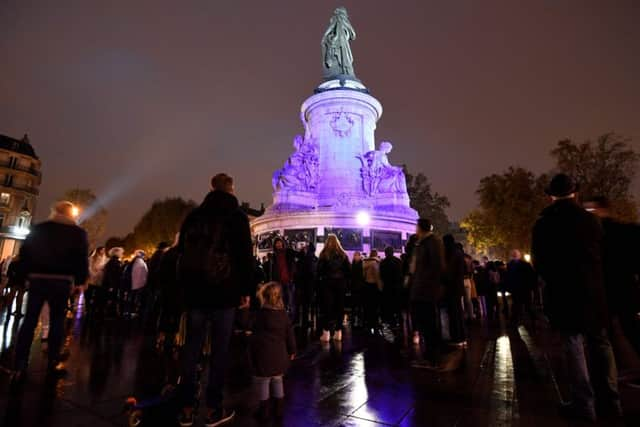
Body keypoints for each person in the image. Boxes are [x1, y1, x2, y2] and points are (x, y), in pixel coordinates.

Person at [532, 174, 621, 422]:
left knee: (573, 349)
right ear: (575, 193)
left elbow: (540, 264)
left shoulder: (543, 224)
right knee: (601, 346)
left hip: (563, 296)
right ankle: (611, 402)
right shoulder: (591, 221)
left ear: (551, 196)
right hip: (593, 294)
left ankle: (584, 406)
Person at [177, 173, 253, 427]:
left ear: (211, 188)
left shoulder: (194, 216)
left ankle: (186, 408)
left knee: (192, 347)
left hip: (196, 292)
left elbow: (182, 255)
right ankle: (213, 409)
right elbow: (244, 257)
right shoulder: (237, 217)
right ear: (231, 189)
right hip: (225, 292)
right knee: (220, 350)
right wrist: (246, 290)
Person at [13, 201, 89, 380]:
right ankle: (53, 362)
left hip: (38, 279)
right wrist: (80, 281)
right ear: (72, 214)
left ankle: (20, 363)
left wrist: (22, 277)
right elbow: (81, 258)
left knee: (29, 321)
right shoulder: (78, 233)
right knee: (57, 321)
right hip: (61, 281)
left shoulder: (41, 228)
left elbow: (26, 253)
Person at [584, 197, 640, 374]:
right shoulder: (624, 230)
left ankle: (616, 369)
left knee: (610, 332)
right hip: (623, 288)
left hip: (608, 289)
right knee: (628, 329)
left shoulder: (596, 235)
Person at [251, 282, 297, 421]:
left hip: (264, 356)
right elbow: (290, 335)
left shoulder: (260, 315)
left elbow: (254, 336)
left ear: (263, 297)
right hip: (280, 356)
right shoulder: (283, 315)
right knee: (278, 381)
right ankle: (279, 409)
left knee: (264, 382)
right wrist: (292, 350)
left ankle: (263, 411)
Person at [409, 218, 445, 369]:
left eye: (416, 227)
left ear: (421, 228)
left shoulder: (431, 243)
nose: (415, 230)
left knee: (429, 324)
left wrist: (429, 286)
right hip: (421, 289)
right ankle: (429, 356)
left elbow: (436, 267)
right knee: (424, 324)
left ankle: (433, 359)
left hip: (426, 290)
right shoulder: (423, 243)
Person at [316, 235, 350, 342]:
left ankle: (326, 333)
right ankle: (338, 332)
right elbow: (349, 271)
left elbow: (319, 271)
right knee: (340, 307)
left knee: (327, 308)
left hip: (327, 283)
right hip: (340, 283)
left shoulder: (323, 254)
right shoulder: (343, 255)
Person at [442, 234, 466, 346]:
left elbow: (449, 272)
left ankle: (456, 337)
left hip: (451, 288)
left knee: (454, 313)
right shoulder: (459, 253)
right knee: (458, 312)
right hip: (458, 286)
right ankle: (461, 336)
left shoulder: (452, 253)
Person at [505, 249, 537, 330]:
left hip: (524, 288)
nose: (515, 255)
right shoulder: (510, 265)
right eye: (513, 254)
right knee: (516, 306)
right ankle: (514, 322)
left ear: (519, 255)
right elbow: (508, 277)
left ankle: (533, 321)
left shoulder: (525, 264)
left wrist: (531, 287)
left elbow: (531, 276)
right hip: (516, 289)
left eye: (516, 254)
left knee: (528, 306)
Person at [267, 237, 298, 319]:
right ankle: (282, 317)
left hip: (288, 280)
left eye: (280, 243)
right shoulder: (273, 256)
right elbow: (271, 269)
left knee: (290, 300)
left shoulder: (288, 252)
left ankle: (291, 318)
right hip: (278, 281)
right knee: (280, 300)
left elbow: (296, 260)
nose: (279, 244)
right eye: (277, 243)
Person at [295, 243, 317, 328]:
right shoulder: (313, 259)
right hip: (309, 284)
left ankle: (302, 321)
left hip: (303, 284)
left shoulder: (301, 259)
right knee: (307, 304)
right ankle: (306, 321)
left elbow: (298, 272)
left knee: (303, 304)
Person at [379, 247, 403, 328]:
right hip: (396, 287)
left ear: (385, 253)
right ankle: (399, 323)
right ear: (393, 252)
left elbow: (381, 275)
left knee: (388, 306)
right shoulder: (398, 261)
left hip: (387, 287)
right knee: (397, 306)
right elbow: (401, 274)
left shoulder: (382, 263)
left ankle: (390, 323)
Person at [362, 249, 382, 334]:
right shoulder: (375, 263)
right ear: (376, 254)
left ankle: (367, 322)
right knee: (374, 305)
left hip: (366, 285)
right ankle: (374, 323)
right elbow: (377, 276)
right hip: (373, 286)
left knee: (367, 305)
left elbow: (363, 275)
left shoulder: (365, 262)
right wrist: (380, 287)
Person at [103, 247, 124, 317]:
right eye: (121, 253)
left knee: (111, 299)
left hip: (111, 284)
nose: (122, 254)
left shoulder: (112, 261)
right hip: (113, 284)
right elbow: (112, 274)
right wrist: (111, 285)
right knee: (112, 299)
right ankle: (111, 313)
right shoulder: (114, 262)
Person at [86, 247, 107, 316]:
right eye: (102, 250)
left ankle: (94, 308)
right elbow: (89, 267)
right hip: (92, 279)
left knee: (97, 294)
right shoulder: (92, 258)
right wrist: (93, 273)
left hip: (99, 280)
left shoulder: (105, 259)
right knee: (89, 293)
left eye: (104, 250)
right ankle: (88, 307)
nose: (103, 251)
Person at [128, 250, 148, 317]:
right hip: (139, 284)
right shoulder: (140, 262)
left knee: (133, 298)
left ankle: (131, 311)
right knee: (136, 298)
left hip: (134, 283)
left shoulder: (134, 262)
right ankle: (134, 311)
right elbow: (143, 273)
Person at [350, 251, 365, 328]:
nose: (355, 257)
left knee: (357, 303)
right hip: (357, 286)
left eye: (356, 255)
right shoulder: (361, 264)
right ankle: (357, 318)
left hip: (357, 286)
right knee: (356, 303)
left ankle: (356, 318)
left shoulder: (353, 264)